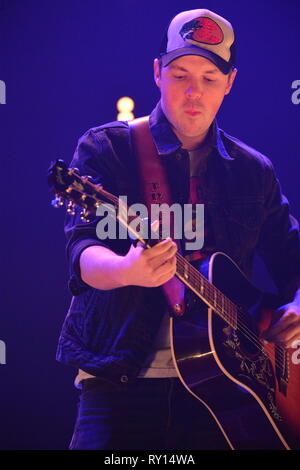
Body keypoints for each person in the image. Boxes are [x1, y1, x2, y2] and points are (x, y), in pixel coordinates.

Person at [57, 9, 300, 450]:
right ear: (157, 72)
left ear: (230, 83)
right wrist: (127, 270)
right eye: (180, 74)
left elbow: (294, 259)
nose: (194, 91)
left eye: (209, 77)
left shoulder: (253, 171)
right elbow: (82, 253)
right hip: (119, 380)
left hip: (232, 391)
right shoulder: (107, 148)